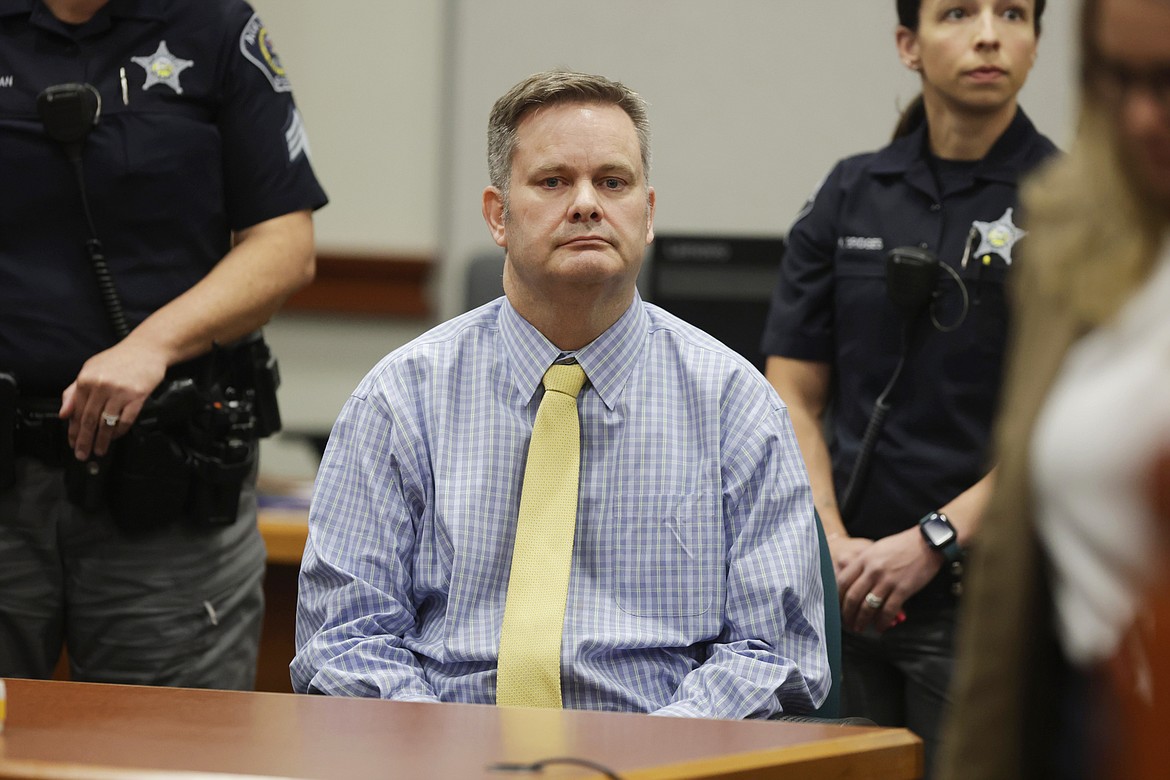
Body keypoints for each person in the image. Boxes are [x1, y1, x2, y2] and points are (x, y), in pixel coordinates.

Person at [292, 70, 828, 718]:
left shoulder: (736, 408)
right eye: (553, 182)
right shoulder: (398, 401)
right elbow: (344, 642)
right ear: (497, 215)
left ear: (648, 213)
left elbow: (776, 653)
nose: (585, 204)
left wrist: (651, 763)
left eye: (612, 182)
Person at [758, 0, 1055, 770]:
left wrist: (931, 543)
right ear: (907, 45)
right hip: (845, 593)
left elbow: (1065, 420)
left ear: (1035, 43)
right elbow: (792, 388)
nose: (989, 33)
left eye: (1013, 13)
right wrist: (830, 542)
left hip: (983, 602)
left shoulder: (1072, 202)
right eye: (959, 12)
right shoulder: (851, 192)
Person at [0, 0, 327, 689]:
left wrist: (151, 344)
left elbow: (285, 246)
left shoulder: (212, 27)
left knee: (165, 754)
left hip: (162, 484)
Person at [939, 0, 1170, 776]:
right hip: (1086, 724)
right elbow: (1014, 571)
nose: (1141, 117)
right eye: (1116, 78)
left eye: (1168, 81)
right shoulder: (1070, 227)